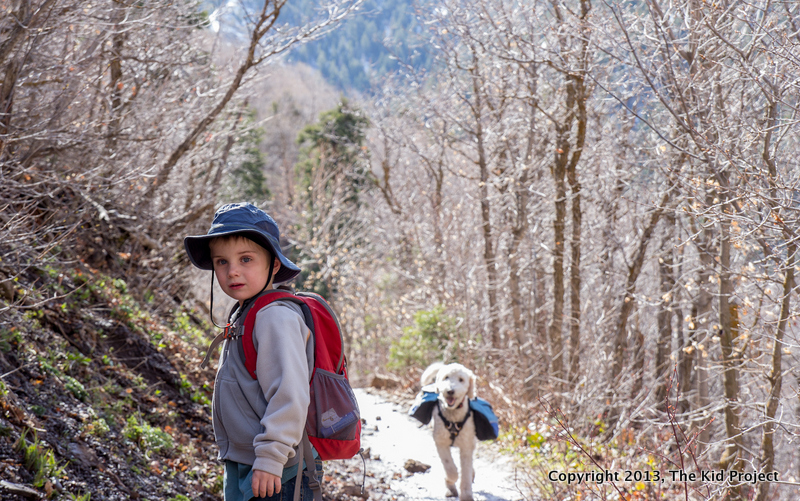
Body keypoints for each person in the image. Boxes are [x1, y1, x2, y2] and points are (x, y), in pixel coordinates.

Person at [184, 202, 316, 501]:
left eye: (246, 259)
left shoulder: (274, 317)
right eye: (221, 262)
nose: (233, 272)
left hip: (277, 469)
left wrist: (271, 457)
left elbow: (290, 393)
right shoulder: (246, 312)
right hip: (250, 462)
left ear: (275, 264)